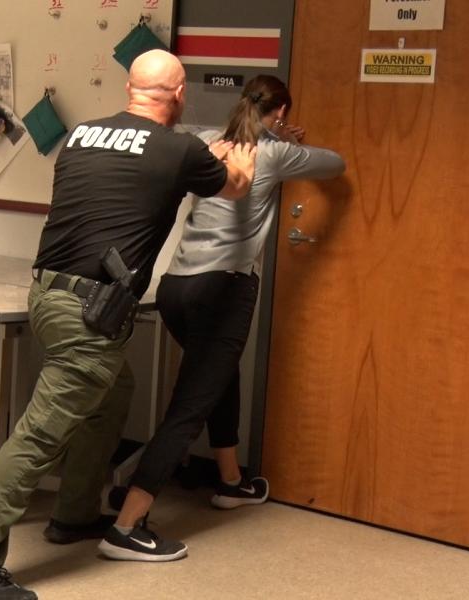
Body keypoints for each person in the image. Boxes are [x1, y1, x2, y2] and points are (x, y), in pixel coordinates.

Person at [0, 49, 257, 600]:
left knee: (113, 391)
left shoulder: (83, 134)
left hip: (48, 296)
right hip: (89, 314)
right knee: (38, 438)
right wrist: (241, 162)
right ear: (179, 96)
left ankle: (75, 513)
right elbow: (234, 186)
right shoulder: (179, 148)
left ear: (130, 88)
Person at [99, 74, 346, 562]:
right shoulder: (272, 152)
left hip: (176, 287)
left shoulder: (209, 143)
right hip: (224, 289)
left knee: (214, 377)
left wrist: (270, 132)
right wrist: (281, 138)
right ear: (278, 114)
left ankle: (231, 482)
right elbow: (335, 165)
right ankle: (127, 525)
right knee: (191, 404)